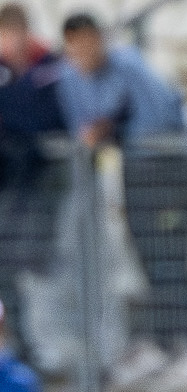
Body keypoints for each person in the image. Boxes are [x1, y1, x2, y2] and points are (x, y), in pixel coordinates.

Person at [57, 12, 187, 392]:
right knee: (147, 256)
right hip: (134, 169)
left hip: (167, 166)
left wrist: (109, 126)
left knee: (172, 254)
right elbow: (83, 128)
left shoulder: (128, 66)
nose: (83, 53)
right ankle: (163, 341)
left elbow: (160, 117)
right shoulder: (72, 77)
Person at [0, 4, 66, 363]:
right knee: (7, 271)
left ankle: (43, 349)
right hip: (9, 185)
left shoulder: (48, 66)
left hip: (46, 185)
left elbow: (43, 117)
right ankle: (22, 347)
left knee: (39, 268)